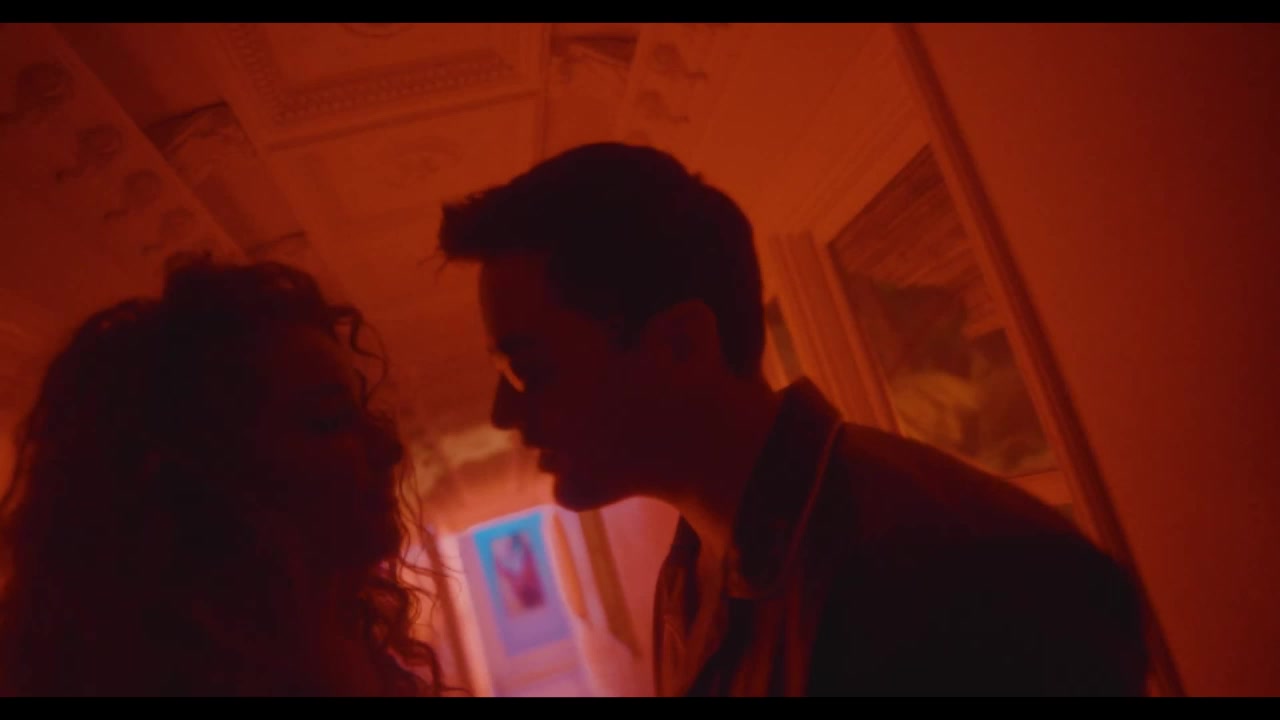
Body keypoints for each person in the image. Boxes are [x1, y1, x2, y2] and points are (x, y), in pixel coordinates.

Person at [436, 142, 1151, 696]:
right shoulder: (685, 582)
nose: (503, 415)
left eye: (527, 369)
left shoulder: (963, 576)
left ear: (680, 346)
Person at [0, 257, 446, 696]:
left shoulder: (341, 646)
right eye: (329, 421)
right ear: (204, 476)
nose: (388, 447)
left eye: (360, 413)